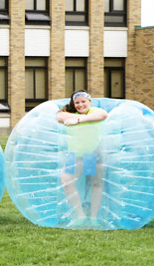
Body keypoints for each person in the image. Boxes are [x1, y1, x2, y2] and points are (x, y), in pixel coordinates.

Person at [56, 90, 108, 227]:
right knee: (66, 181)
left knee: (95, 184)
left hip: (92, 154)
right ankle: (80, 215)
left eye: (83, 101)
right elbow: (60, 116)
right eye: (77, 102)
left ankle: (94, 217)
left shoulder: (94, 111)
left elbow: (103, 115)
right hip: (74, 155)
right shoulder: (69, 113)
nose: (80, 105)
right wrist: (73, 117)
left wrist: (78, 120)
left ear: (90, 102)